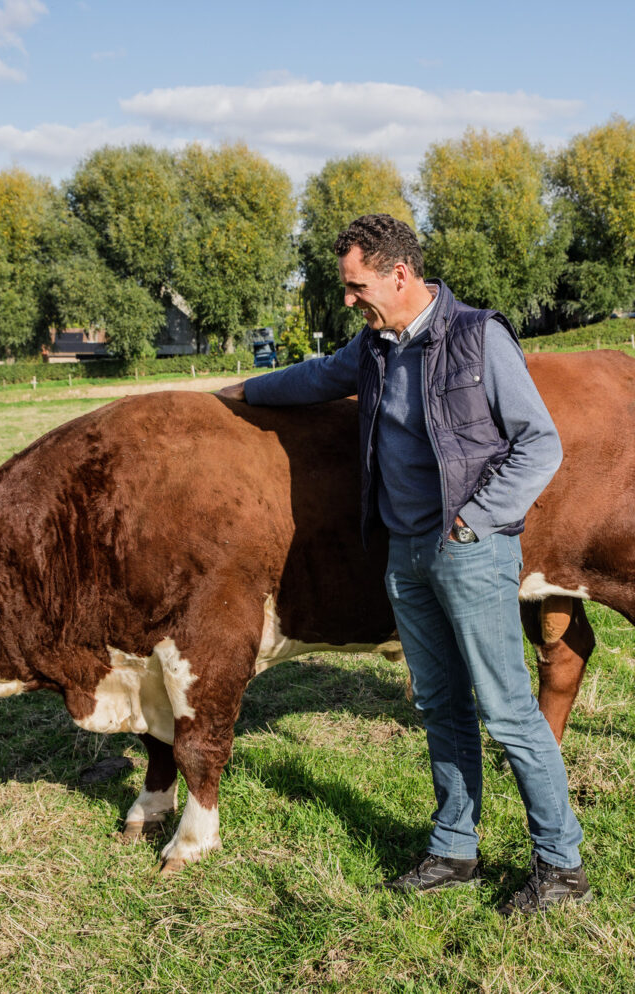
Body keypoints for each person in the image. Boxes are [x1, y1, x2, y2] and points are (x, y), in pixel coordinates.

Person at [218, 214, 590, 915]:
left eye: (358, 286)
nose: (351, 299)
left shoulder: (479, 337)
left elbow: (539, 444)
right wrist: (239, 394)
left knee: (510, 715)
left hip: (470, 553)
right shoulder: (374, 348)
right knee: (441, 707)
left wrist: (474, 520)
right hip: (404, 555)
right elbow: (311, 380)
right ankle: (455, 849)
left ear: (399, 273)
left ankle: (561, 866)